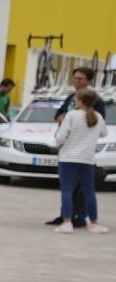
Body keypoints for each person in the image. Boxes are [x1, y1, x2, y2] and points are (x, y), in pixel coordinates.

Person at [45, 68, 102, 226]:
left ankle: (78, 217)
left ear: (88, 81)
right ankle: (65, 215)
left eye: (80, 78)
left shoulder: (96, 101)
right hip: (69, 149)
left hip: (79, 150)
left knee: (78, 188)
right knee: (70, 187)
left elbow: (99, 124)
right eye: (75, 78)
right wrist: (59, 117)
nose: (77, 81)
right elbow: (60, 112)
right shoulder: (71, 98)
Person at [54, 89, 107, 233]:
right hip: (87, 159)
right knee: (89, 191)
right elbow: (104, 133)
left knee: (67, 190)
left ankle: (67, 222)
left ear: (80, 101)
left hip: (67, 158)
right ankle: (94, 223)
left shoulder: (71, 115)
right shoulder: (98, 117)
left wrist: (58, 144)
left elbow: (60, 137)